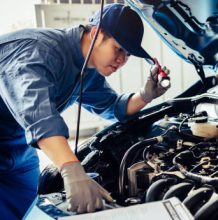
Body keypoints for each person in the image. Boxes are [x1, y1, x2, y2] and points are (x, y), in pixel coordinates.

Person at [0, 3, 170, 219]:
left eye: (127, 55)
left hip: (16, 150)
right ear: (97, 33)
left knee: (30, 212)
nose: (122, 61)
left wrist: (146, 95)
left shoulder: (87, 69)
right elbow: (39, 118)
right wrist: (72, 170)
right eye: (119, 49)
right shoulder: (40, 52)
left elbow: (112, 106)